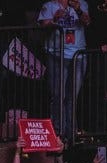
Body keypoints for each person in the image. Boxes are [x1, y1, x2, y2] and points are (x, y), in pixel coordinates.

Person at [38, 0, 91, 139]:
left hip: (77, 56)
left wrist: (78, 10)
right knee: (58, 95)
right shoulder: (49, 5)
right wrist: (54, 19)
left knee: (72, 97)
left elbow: (87, 22)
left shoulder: (81, 3)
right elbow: (42, 26)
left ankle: (71, 133)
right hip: (56, 55)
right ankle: (58, 133)